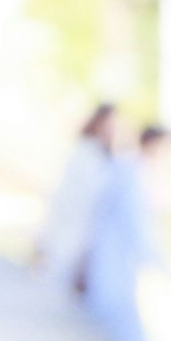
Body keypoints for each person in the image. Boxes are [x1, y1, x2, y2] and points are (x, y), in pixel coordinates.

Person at [80, 118, 159, 341]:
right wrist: (156, 259)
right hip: (111, 262)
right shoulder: (128, 175)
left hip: (112, 260)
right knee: (118, 328)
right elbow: (135, 225)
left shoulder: (127, 170)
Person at [36, 99, 114, 291]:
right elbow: (74, 193)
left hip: (89, 228)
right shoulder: (85, 152)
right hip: (73, 223)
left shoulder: (103, 154)